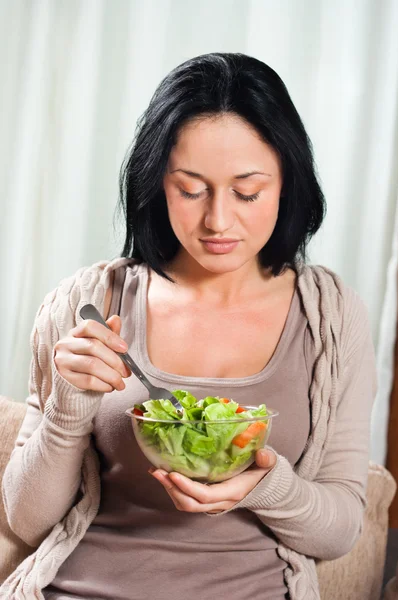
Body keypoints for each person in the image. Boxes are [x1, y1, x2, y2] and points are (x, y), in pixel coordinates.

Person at [1, 52, 376, 600]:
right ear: (157, 183)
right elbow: (26, 520)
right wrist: (67, 408)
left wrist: (267, 489)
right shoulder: (86, 301)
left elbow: (341, 529)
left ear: (288, 184)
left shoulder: (332, 316)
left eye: (247, 192)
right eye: (191, 189)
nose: (218, 220)